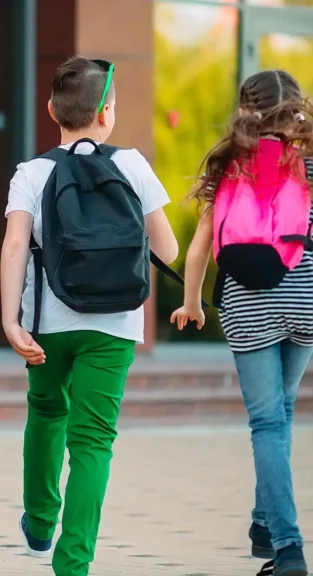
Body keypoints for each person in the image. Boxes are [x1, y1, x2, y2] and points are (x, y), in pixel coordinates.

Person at [0, 56, 178, 576]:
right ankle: (72, 564)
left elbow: (14, 246)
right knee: (94, 442)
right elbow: (165, 247)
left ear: (52, 110)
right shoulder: (133, 165)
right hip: (116, 324)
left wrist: (11, 322)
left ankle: (38, 518)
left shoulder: (32, 173)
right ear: (107, 115)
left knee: (47, 411)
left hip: (48, 323)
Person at [171, 70, 313, 576]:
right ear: (296, 108)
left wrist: (192, 304)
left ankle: (288, 547)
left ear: (246, 109)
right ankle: (263, 524)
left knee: (267, 423)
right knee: (283, 412)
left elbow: (200, 248)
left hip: (249, 303)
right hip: (306, 299)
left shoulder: (231, 163)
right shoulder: (311, 164)